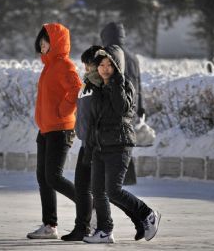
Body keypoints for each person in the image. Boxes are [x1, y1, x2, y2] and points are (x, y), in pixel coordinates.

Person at [61, 46, 145, 242]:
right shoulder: (89, 83)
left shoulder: (101, 85)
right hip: (88, 142)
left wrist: (91, 139)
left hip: (97, 143)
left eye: (90, 65)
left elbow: (103, 114)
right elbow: (82, 112)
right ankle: (88, 226)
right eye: (87, 65)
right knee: (95, 190)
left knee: (104, 191)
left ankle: (133, 219)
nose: (88, 69)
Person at [82, 46, 161, 244]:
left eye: (110, 64)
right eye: (101, 65)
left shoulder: (124, 85)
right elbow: (93, 122)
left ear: (118, 66)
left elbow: (121, 109)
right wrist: (89, 149)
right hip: (100, 146)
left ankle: (147, 214)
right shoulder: (97, 88)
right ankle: (105, 230)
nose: (105, 68)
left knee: (114, 190)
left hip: (119, 144)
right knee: (98, 191)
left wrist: (115, 82)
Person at [26, 23, 82, 240]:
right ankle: (50, 225)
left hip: (61, 129)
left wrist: (63, 110)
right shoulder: (48, 66)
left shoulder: (64, 65)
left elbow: (77, 89)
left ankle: (91, 207)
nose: (42, 45)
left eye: (46, 40)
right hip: (46, 129)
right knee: (43, 177)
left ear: (57, 42)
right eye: (40, 41)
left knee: (54, 177)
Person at [100, 22, 145, 184]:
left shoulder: (108, 56)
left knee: (112, 144)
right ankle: (126, 177)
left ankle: (116, 180)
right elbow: (139, 84)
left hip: (113, 108)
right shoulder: (133, 58)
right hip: (130, 108)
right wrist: (141, 108)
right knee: (124, 142)